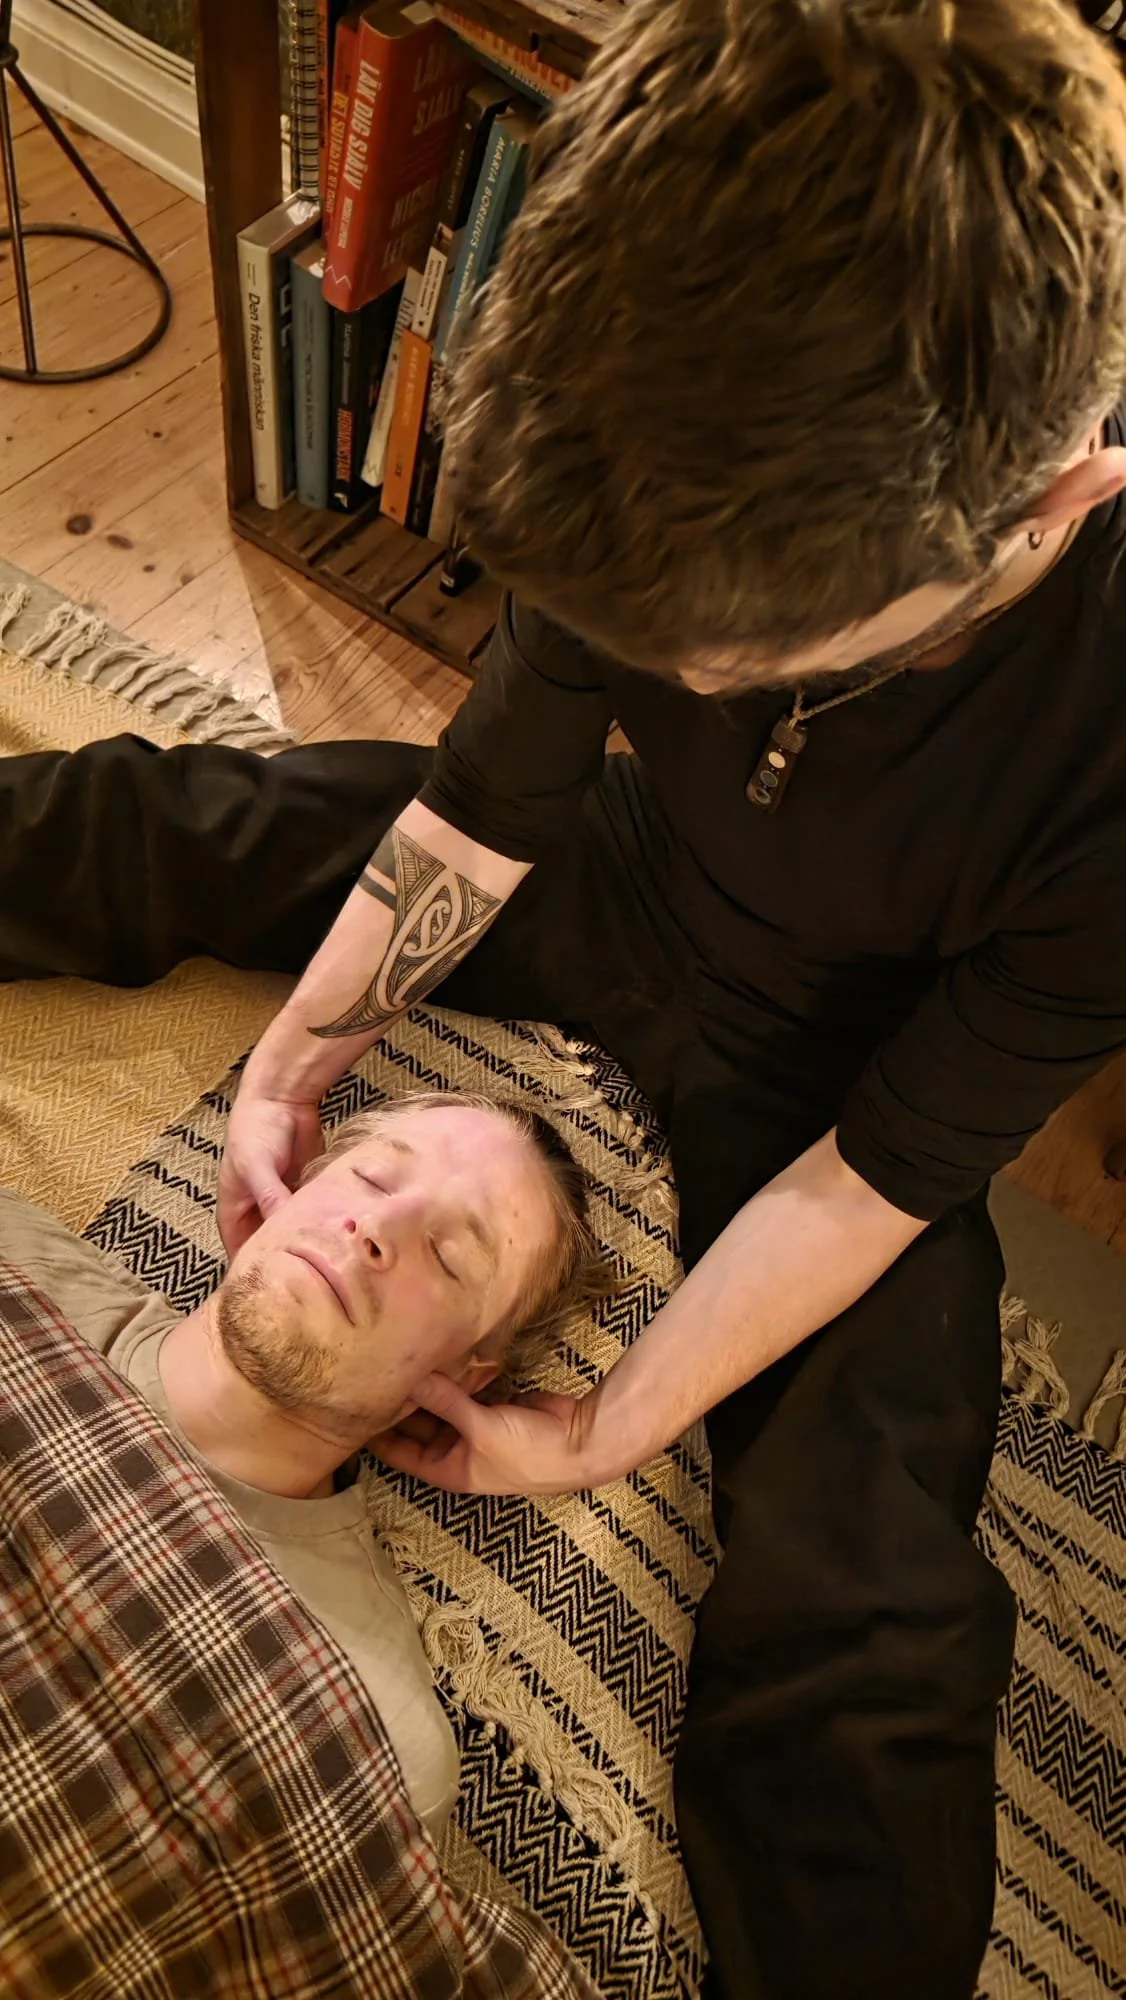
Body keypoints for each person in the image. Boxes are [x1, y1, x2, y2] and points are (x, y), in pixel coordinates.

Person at [4, 0, 1126, 1992]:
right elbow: (500, 789)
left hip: (848, 1066)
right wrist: (303, 1043)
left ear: (1039, 516)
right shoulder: (686, 332)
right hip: (611, 876)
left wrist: (610, 1422)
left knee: (861, 1569)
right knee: (182, 815)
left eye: (739, 667)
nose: (681, 689)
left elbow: (875, 1177)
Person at [0, 1089, 601, 1838]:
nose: (374, 1225)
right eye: (375, 1179)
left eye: (449, 1256)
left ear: (468, 1374)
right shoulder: (12, 1252)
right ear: (293, 1190)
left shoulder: (366, 1735)